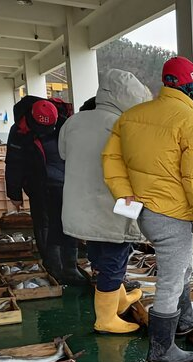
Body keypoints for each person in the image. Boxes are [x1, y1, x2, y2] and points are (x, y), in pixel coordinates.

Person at [103, 56, 193, 362]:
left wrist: (127, 198)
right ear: (189, 85)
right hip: (174, 214)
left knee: (182, 267)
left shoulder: (131, 116)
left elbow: (111, 161)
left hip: (144, 210)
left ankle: (186, 317)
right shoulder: (192, 123)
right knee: (171, 277)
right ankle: (161, 350)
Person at [60, 69, 152, 334]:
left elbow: (63, 153)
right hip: (111, 206)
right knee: (114, 258)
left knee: (99, 254)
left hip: (80, 207)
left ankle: (119, 299)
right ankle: (106, 319)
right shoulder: (124, 125)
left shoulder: (75, 121)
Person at [6, 97, 86, 286]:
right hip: (38, 185)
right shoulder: (18, 131)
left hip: (67, 184)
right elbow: (13, 164)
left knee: (68, 224)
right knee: (44, 226)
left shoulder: (65, 123)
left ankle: (70, 267)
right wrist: (15, 194)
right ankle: (53, 267)